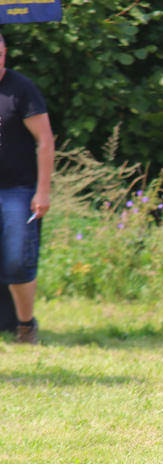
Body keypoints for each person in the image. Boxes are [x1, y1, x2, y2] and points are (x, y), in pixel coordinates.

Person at [0, 34, 55, 344]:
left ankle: (25, 326)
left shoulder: (22, 89)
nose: (0, 59)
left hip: (17, 190)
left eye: (2, 52)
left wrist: (42, 190)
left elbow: (45, 141)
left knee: (17, 260)